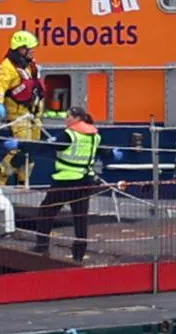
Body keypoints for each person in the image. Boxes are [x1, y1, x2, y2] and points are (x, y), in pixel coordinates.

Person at [28, 107, 118, 263]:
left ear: (76, 118)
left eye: (68, 116)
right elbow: (103, 152)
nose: (66, 119)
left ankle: (41, 245)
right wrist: (114, 154)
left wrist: (19, 145)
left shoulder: (69, 134)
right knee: (80, 218)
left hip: (65, 181)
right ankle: (78, 255)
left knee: (46, 211)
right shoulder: (94, 135)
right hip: (85, 182)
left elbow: (46, 148)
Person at [0, 29, 39, 184]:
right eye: (30, 49)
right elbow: (0, 86)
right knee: (19, 149)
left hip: (31, 115)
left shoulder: (28, 65)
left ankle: (23, 183)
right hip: (18, 114)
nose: (33, 51)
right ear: (21, 49)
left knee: (31, 151)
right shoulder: (8, 67)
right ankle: (0, 179)